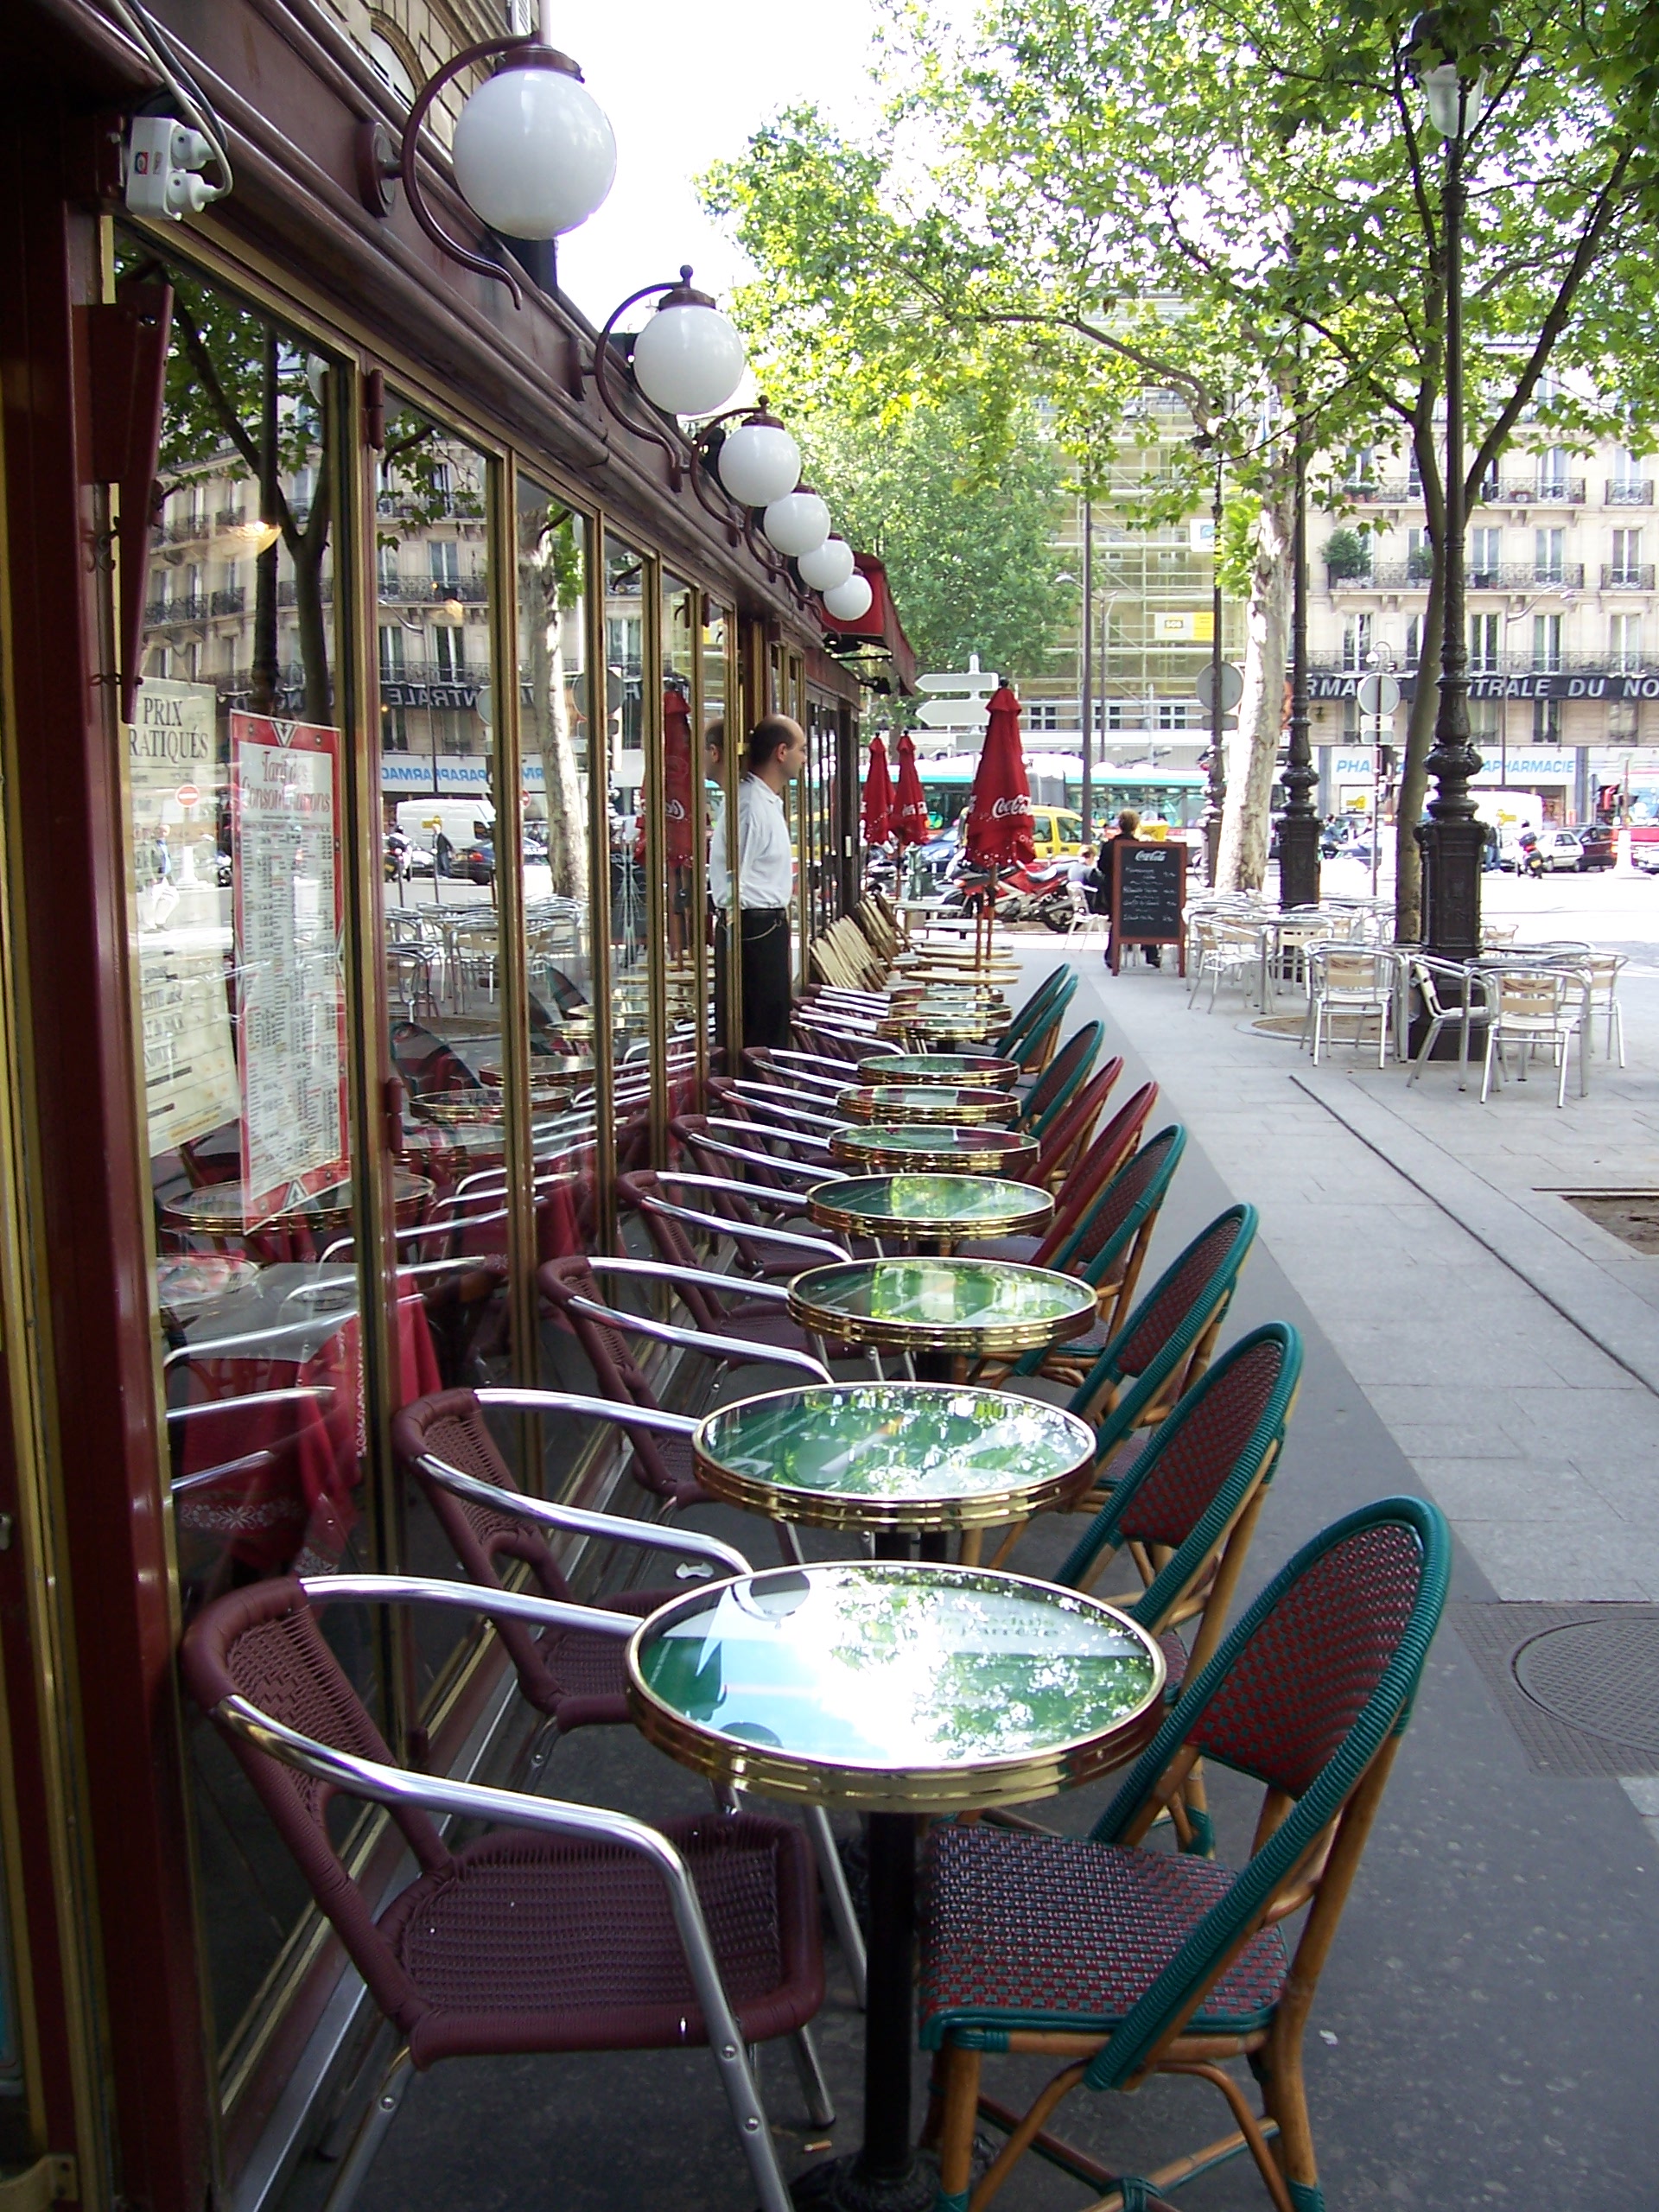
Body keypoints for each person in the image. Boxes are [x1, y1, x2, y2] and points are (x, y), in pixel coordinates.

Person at [709, 714, 807, 1051]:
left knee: (772, 1024)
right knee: (760, 1030)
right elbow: (736, 876)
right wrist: (735, 938)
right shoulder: (749, 805)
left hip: (764, 925)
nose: (804, 758)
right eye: (801, 750)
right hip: (752, 928)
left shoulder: (763, 801)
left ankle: (763, 1094)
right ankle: (753, 1097)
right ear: (781, 752)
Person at [1090, 809, 1161, 969]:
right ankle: (1152, 954)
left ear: (1120, 825)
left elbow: (1101, 867)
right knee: (1143, 919)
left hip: (1112, 890)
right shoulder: (1137, 846)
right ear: (1135, 825)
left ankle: (1111, 957)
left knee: (1117, 922)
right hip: (1135, 889)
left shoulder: (1109, 845)